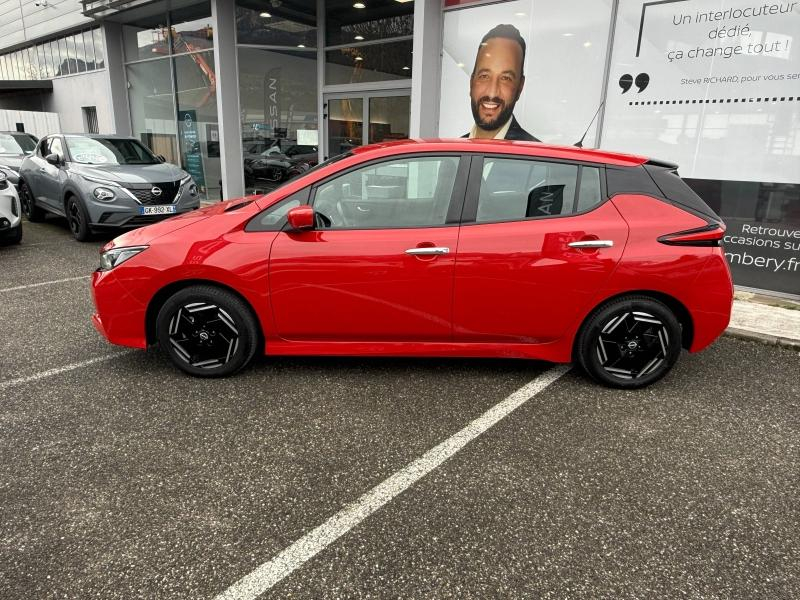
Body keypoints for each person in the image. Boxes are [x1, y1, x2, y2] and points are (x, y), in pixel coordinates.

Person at [464, 24, 539, 142]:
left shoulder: (536, 157)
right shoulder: (451, 155)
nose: (492, 92)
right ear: (471, 82)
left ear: (520, 88)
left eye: (505, 78)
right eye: (484, 76)